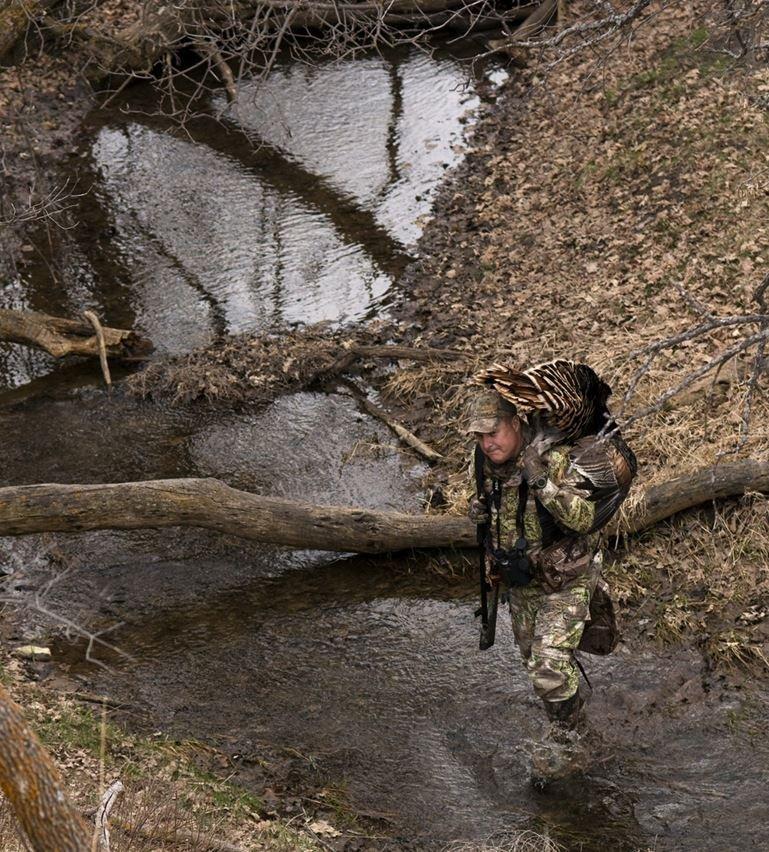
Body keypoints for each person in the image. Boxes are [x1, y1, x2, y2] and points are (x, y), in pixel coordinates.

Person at [465, 387, 633, 783]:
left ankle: (574, 740)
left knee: (549, 667)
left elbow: (582, 519)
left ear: (516, 424)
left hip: (567, 578)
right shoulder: (485, 460)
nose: (488, 443)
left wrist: (540, 481)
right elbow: (497, 512)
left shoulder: (555, 460)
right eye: (480, 436)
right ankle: (570, 726)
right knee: (538, 669)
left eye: (494, 432)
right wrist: (478, 511)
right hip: (521, 581)